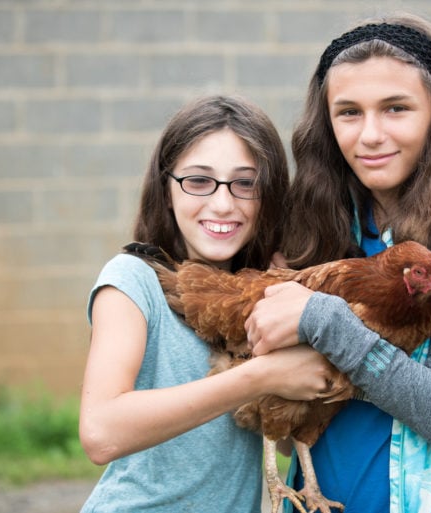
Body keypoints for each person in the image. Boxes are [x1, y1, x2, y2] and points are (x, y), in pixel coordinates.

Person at [245, 13, 431, 513]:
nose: (370, 134)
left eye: (396, 108)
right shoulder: (318, 222)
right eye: (348, 112)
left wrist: (320, 318)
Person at [78, 94, 337, 513]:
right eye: (198, 180)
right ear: (166, 189)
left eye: (245, 183)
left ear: (268, 197)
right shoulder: (133, 280)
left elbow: (287, 443)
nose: (222, 203)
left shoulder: (257, 293)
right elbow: (101, 432)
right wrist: (261, 375)